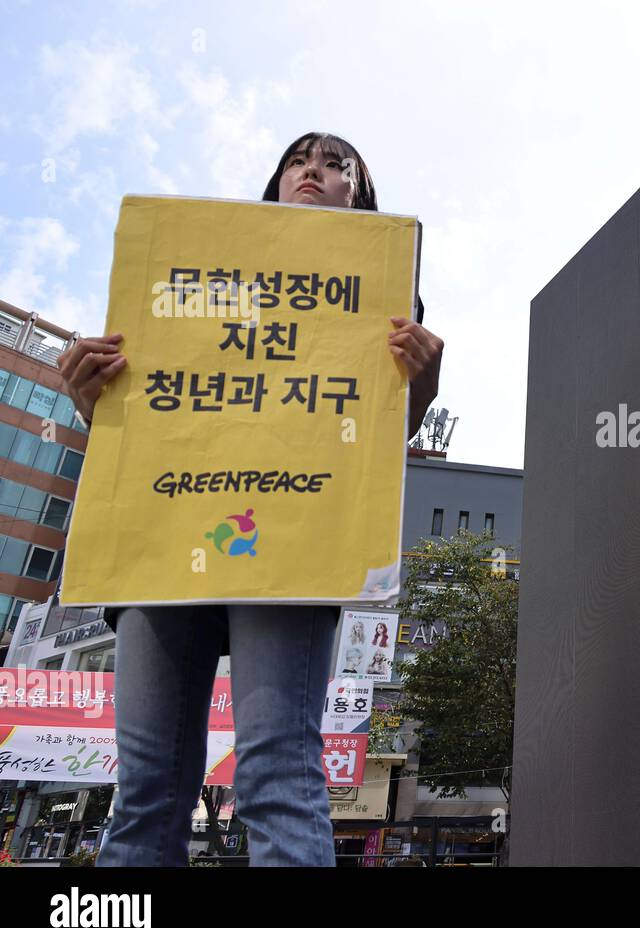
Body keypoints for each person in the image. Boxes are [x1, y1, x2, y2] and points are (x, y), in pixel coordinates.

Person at [59, 132, 444, 867]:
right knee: (145, 790)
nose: (315, 171)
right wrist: (95, 404)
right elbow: (157, 407)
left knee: (276, 773)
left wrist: (415, 395)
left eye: (338, 167)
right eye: (300, 160)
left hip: (293, 547)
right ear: (273, 186)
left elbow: (364, 444)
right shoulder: (192, 267)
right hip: (162, 542)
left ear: (358, 200)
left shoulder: (379, 288)